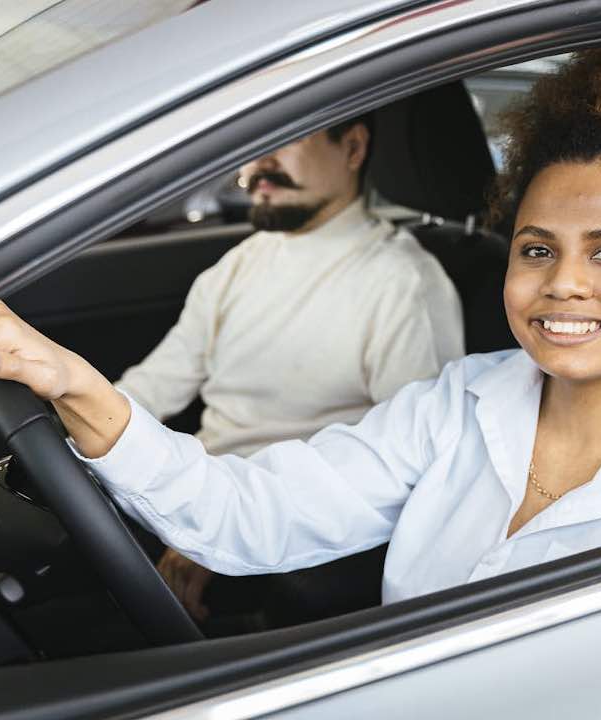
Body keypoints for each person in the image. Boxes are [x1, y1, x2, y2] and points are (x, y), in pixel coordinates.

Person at [0, 40, 601, 608]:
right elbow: (247, 512)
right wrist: (74, 384)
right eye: (536, 250)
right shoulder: (459, 405)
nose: (563, 285)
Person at [115, 116, 465, 617]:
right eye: (252, 140)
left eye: (286, 135)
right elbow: (153, 388)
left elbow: (414, 467)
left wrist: (231, 537)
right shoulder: (240, 263)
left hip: (286, 537)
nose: (261, 162)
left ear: (353, 148)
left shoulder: (402, 283)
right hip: (189, 498)